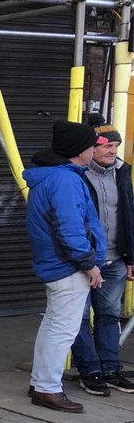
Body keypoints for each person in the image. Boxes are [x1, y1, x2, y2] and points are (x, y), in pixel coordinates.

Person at [25, 120, 107, 413]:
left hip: (56, 264)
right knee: (62, 329)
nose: (94, 150)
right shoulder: (65, 180)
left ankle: (40, 383)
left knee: (53, 325)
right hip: (68, 267)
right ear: (79, 150)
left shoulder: (51, 177)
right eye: (91, 146)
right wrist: (89, 264)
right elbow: (70, 228)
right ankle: (47, 388)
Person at [71, 115, 134, 397]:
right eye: (107, 145)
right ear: (91, 148)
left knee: (109, 315)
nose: (113, 150)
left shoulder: (122, 172)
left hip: (115, 259)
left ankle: (110, 369)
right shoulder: (77, 175)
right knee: (80, 318)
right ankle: (89, 371)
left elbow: (128, 214)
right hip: (83, 261)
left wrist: (130, 257)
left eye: (116, 145)